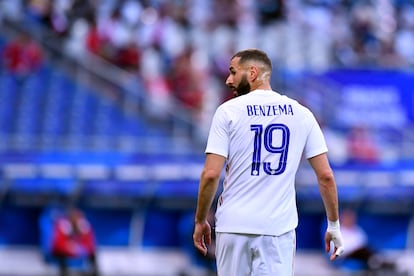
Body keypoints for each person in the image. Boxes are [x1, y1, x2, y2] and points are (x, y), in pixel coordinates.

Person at [192, 48, 345, 275]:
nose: (228, 80)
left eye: (233, 72)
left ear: (252, 73)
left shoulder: (227, 112)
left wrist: (200, 219)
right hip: (277, 229)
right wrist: (333, 225)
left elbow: (211, 174)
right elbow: (326, 176)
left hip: (234, 226)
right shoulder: (302, 114)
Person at [51, 207, 99, 276]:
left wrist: (80, 248)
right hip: (65, 249)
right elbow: (58, 244)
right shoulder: (63, 225)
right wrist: (68, 247)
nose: (75, 219)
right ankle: (63, 272)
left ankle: (94, 272)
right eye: (73, 217)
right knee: (60, 254)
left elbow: (90, 244)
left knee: (92, 254)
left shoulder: (84, 226)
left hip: (79, 249)